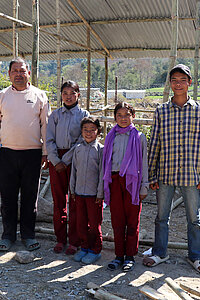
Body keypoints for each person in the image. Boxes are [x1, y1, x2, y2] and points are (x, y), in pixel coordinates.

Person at [145, 64, 200, 274]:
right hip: (166, 173)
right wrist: (152, 174)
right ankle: (160, 253)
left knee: (194, 218)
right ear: (170, 84)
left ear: (189, 83)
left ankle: (196, 256)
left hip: (191, 175)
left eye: (183, 80)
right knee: (162, 217)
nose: (178, 84)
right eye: (174, 80)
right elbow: (154, 143)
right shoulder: (161, 111)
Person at [0, 57, 50, 252]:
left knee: (30, 198)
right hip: (7, 154)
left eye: (22, 71)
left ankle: (28, 236)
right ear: (9, 74)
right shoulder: (2, 96)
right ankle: (8, 236)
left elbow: (46, 126)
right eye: (15, 71)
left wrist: (45, 153)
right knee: (8, 198)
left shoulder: (39, 96)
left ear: (28, 73)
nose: (19, 74)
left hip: (32, 154)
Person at [103, 102, 149, 272]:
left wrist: (144, 186)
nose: (123, 118)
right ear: (115, 117)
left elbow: (144, 163)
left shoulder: (139, 137)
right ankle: (118, 256)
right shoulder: (111, 136)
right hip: (115, 181)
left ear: (133, 116)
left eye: (127, 115)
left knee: (132, 220)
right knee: (117, 220)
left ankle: (130, 256)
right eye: (119, 115)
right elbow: (105, 163)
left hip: (132, 183)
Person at [46, 81, 89, 255]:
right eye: (65, 93)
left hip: (76, 160)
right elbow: (48, 139)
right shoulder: (55, 115)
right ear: (61, 95)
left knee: (76, 200)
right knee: (58, 201)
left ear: (78, 94)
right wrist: (56, 161)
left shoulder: (84, 115)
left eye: (72, 93)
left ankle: (75, 240)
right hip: (56, 162)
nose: (68, 96)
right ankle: (60, 239)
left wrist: (67, 160)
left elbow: (82, 140)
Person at [68, 117, 104, 264]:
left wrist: (100, 193)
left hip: (93, 194)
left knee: (94, 224)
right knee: (81, 223)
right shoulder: (78, 149)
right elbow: (74, 170)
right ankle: (84, 247)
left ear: (98, 132)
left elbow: (102, 172)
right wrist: (72, 189)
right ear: (81, 131)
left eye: (92, 130)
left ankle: (95, 250)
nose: (88, 133)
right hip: (79, 193)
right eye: (85, 130)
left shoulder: (101, 150)